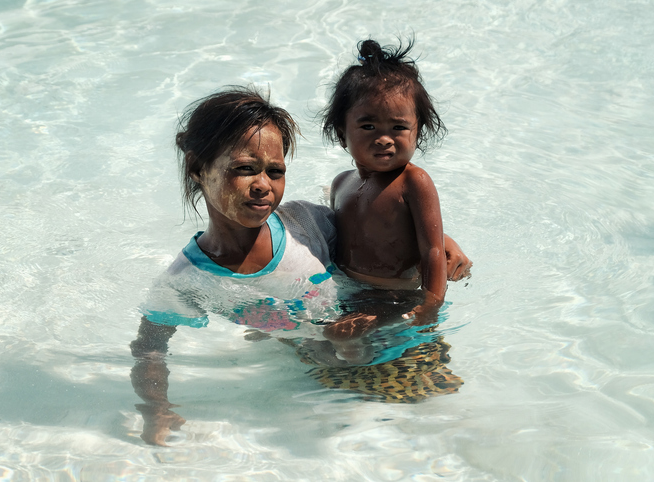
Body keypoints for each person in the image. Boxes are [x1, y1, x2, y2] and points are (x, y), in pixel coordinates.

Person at [131, 86, 471, 445]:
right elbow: (149, 347)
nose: (263, 185)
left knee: (444, 428)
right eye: (245, 169)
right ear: (198, 168)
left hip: (396, 342)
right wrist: (156, 410)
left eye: (275, 172)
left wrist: (442, 244)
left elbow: (376, 230)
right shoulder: (187, 280)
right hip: (318, 366)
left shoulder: (305, 225)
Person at [322, 38, 468, 322]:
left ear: (418, 132)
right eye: (368, 126)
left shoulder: (414, 182)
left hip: (396, 296)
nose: (384, 138)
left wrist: (431, 305)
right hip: (346, 290)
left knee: (350, 344)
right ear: (342, 134)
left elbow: (433, 250)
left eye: (399, 127)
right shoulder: (341, 183)